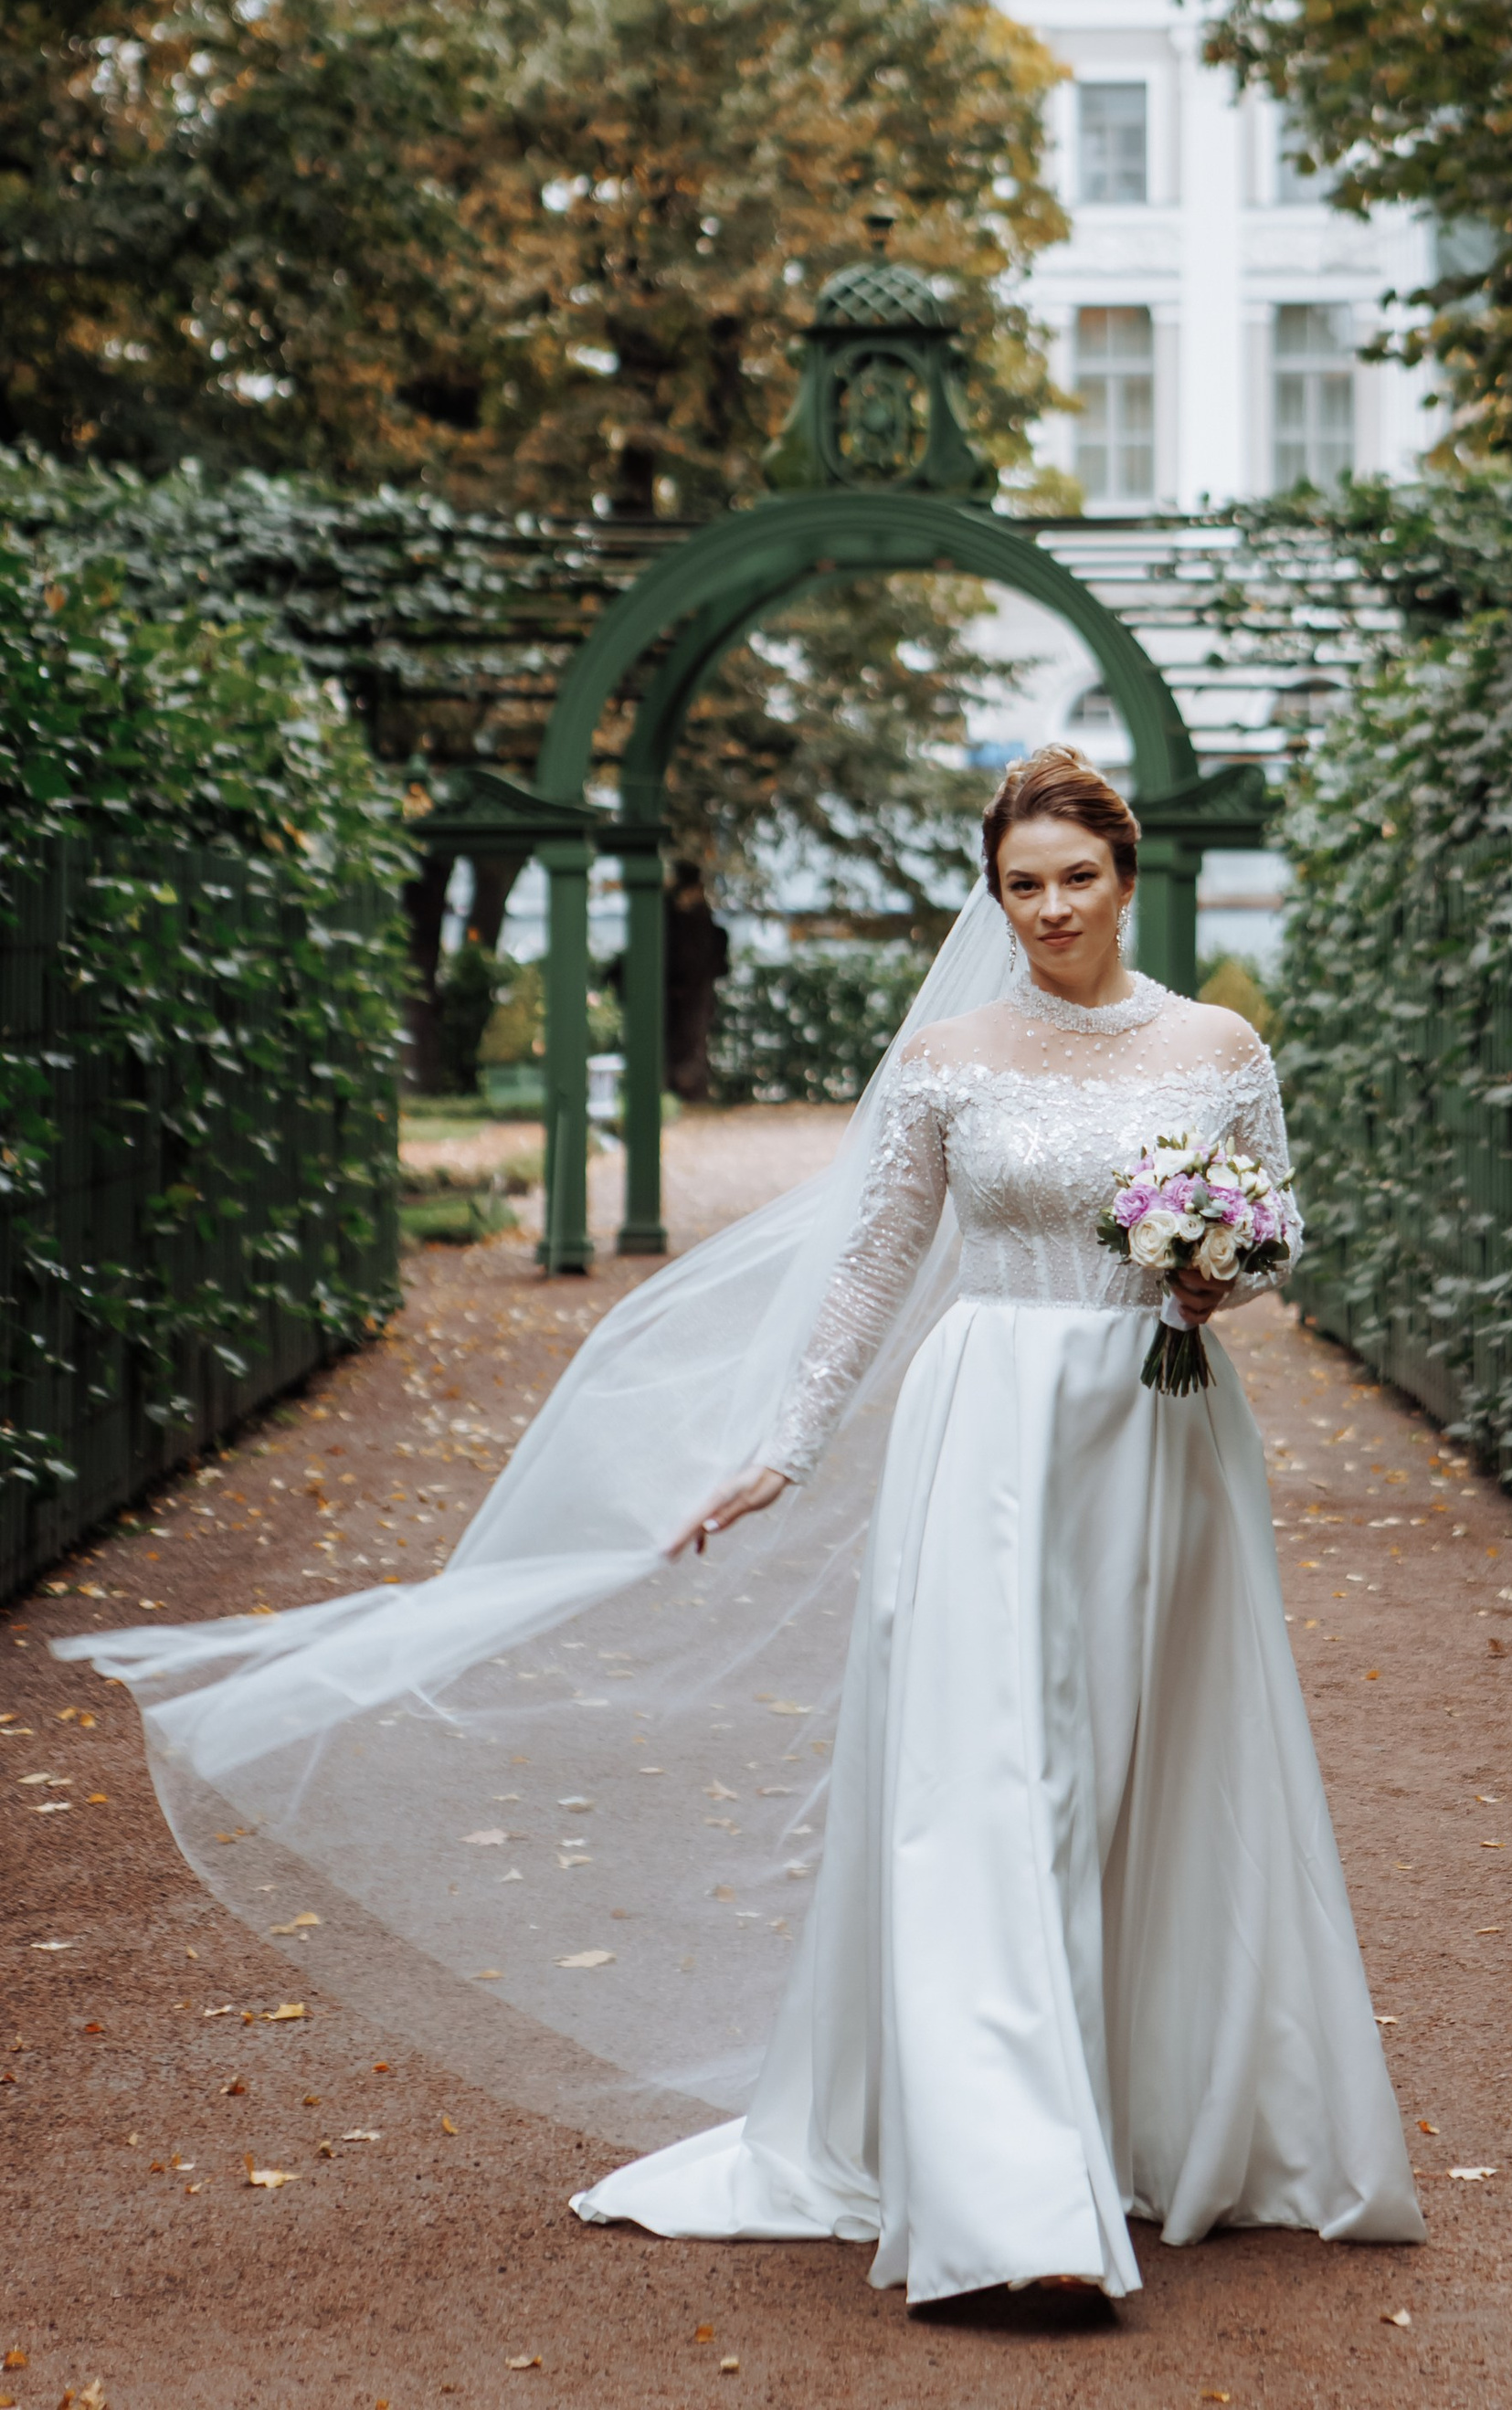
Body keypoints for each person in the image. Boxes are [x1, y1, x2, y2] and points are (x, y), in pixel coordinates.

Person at [57, 749, 1421, 2310]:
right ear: (995, 895)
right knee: (989, 1784)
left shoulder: (1217, 1042)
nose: (1049, 908)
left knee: (1162, 1768)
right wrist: (781, 1446)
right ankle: (1010, 2204)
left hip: (1162, 1429)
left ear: (1125, 875)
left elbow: (1272, 1231)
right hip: (983, 1438)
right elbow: (872, 1265)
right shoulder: (954, 1054)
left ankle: (1165, 2124)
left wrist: (1215, 1276)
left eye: (1076, 877)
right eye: (1020, 882)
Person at [662, 861, 730, 1101]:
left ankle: (688, 1090)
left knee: (690, 1044)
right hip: (676, 995)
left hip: (694, 994)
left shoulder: (698, 920)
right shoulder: (672, 916)